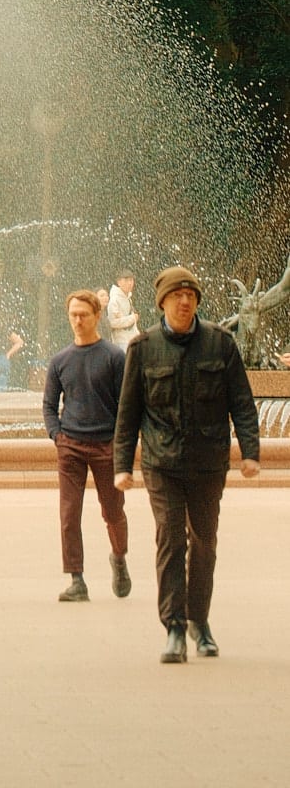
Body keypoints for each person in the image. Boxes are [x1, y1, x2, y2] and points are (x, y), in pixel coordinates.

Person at [114, 266, 261, 663]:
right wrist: (122, 465)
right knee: (171, 539)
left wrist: (250, 452)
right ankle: (175, 627)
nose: (184, 302)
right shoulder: (143, 348)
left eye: (191, 296)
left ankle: (200, 620)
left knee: (204, 542)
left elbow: (242, 403)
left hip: (208, 462)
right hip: (162, 463)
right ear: (162, 302)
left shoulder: (220, 344)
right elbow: (128, 413)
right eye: (177, 296)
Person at [43, 290, 131, 602]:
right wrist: (57, 436)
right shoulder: (60, 361)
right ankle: (76, 579)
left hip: (107, 446)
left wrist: (122, 443)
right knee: (69, 514)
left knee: (113, 511)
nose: (78, 320)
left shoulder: (114, 357)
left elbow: (126, 404)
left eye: (84, 315)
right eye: (73, 315)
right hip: (71, 446)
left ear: (97, 316)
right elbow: (49, 405)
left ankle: (118, 557)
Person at [108, 271, 140, 350]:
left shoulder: (128, 298)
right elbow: (112, 322)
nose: (129, 283)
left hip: (132, 339)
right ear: (119, 282)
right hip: (121, 341)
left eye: (131, 280)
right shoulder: (114, 300)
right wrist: (132, 318)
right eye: (126, 280)